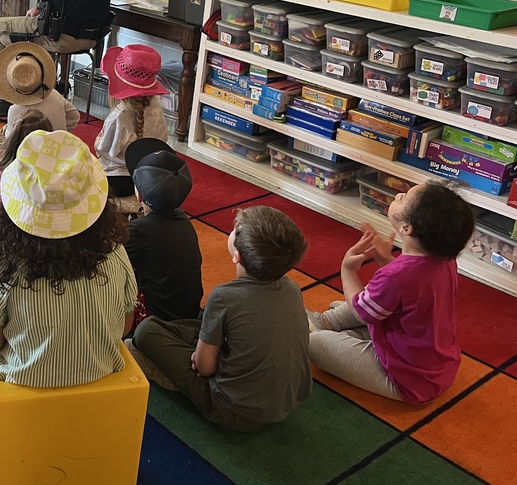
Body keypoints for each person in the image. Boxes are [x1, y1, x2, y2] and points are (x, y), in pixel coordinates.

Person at [0, 129, 138, 388]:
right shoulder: (115, 251)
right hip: (103, 369)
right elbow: (125, 325)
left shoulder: (6, 264)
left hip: (23, 380)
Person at [130, 205, 312, 431]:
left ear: (237, 255)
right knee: (201, 326)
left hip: (232, 410)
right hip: (285, 403)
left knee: (146, 331)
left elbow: (205, 368)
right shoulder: (291, 287)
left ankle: (165, 373)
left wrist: (203, 356)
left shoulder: (224, 297)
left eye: (235, 230)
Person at [307, 182, 474, 404]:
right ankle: (330, 323)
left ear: (406, 228)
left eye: (403, 197)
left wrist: (347, 270)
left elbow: (361, 311)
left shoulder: (395, 276)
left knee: (314, 343)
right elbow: (410, 290)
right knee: (371, 297)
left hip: (406, 380)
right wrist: (386, 261)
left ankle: (331, 330)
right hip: (433, 364)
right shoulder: (446, 260)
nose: (398, 194)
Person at [124, 138, 203, 322]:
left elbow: (107, 261)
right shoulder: (184, 221)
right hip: (188, 312)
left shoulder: (138, 230)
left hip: (158, 320)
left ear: (139, 195)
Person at [0, 41, 79, 152]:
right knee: (5, 129)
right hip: (58, 148)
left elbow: (11, 143)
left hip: (27, 153)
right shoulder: (54, 94)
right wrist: (60, 131)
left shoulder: (15, 110)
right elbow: (74, 116)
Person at [95, 44, 170, 196]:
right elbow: (163, 139)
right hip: (149, 177)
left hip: (120, 180)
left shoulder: (118, 116)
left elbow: (104, 150)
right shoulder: (155, 103)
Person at [0, 109, 53, 217]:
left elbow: (10, 153)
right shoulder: (57, 170)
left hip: (3, 221)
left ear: (15, 137)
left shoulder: (2, 176)